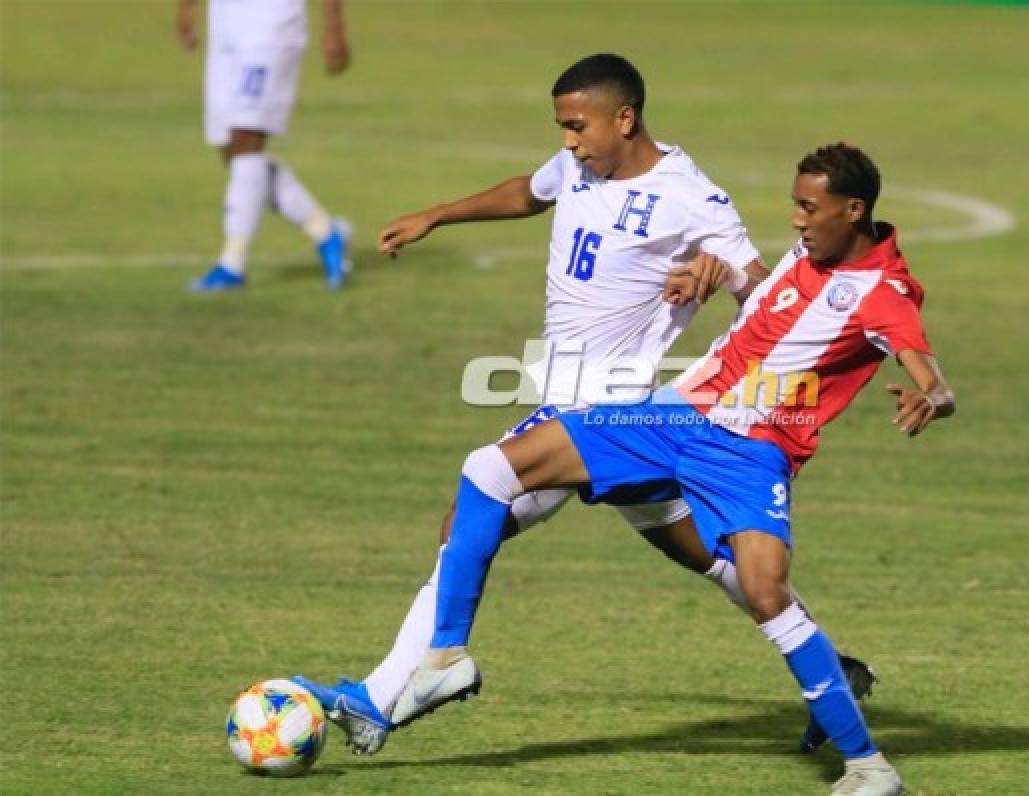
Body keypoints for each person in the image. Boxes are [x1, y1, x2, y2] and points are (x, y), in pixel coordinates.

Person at [292, 55, 874, 756]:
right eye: (562, 128)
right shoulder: (579, 164)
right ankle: (831, 671)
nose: (568, 141)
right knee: (709, 555)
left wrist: (715, 276)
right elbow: (529, 192)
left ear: (623, 118)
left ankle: (383, 696)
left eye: (577, 126)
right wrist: (438, 215)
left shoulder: (691, 197)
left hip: (606, 407)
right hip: (594, 403)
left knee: (477, 500)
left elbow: (764, 294)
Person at [386, 143, 954, 796]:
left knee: (766, 591)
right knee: (490, 470)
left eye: (809, 208)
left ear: (852, 211)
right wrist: (704, 276)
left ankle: (868, 767)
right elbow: (765, 310)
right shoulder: (816, 249)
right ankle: (446, 657)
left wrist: (929, 398)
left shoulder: (884, 292)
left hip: (750, 451)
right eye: (796, 205)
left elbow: (932, 375)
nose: (797, 220)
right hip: (673, 416)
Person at [176, 0, 352, 291]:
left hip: (271, 24)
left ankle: (232, 264)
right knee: (232, 151)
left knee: (245, 140)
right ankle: (326, 232)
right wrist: (187, 7)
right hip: (225, 21)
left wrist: (334, 26)